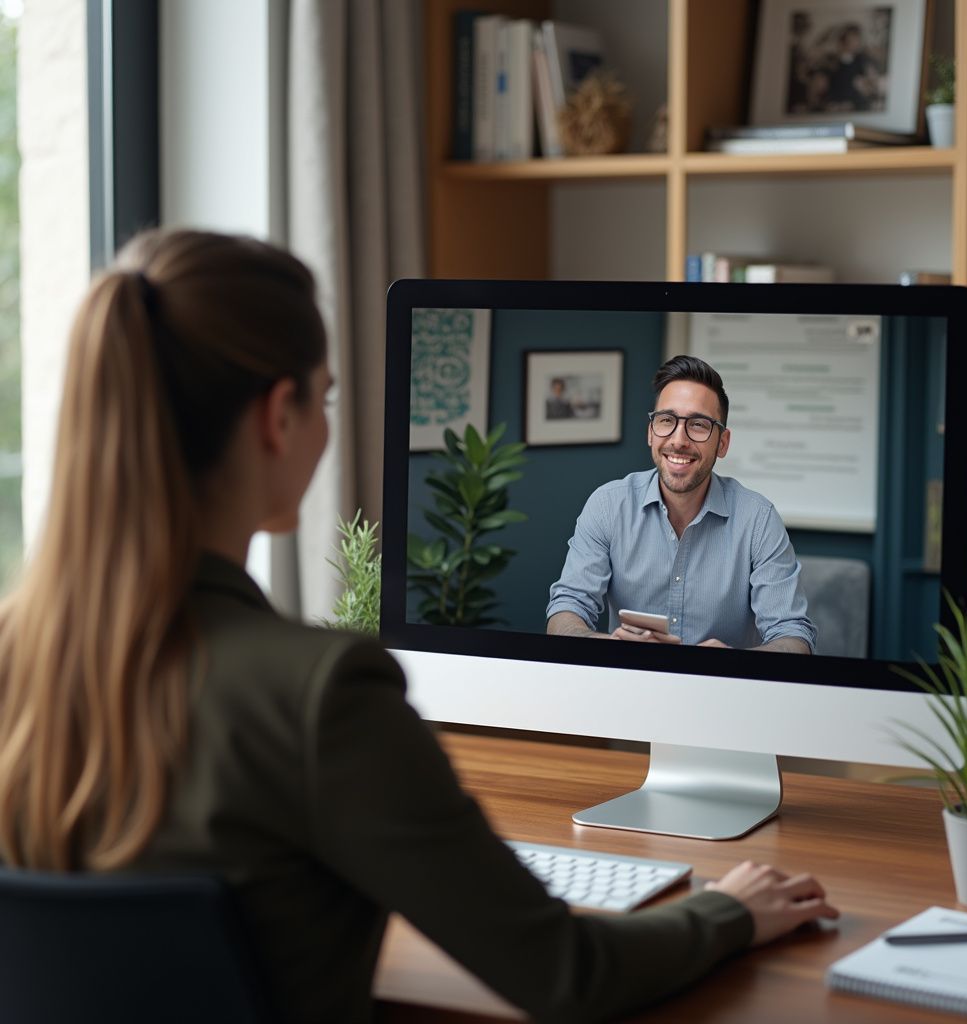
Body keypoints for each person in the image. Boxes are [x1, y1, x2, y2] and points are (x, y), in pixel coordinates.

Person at [0, 230, 836, 1023]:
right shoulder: (323, 698)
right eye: (325, 397)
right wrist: (727, 911)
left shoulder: (16, 655)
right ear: (276, 415)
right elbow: (566, 972)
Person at [547, 355, 816, 652]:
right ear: (651, 433)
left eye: (698, 425)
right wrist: (608, 645)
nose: (679, 440)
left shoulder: (758, 519)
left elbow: (793, 635)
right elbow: (566, 608)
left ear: (722, 443)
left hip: (724, 690)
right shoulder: (608, 505)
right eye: (666, 420)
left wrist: (737, 662)